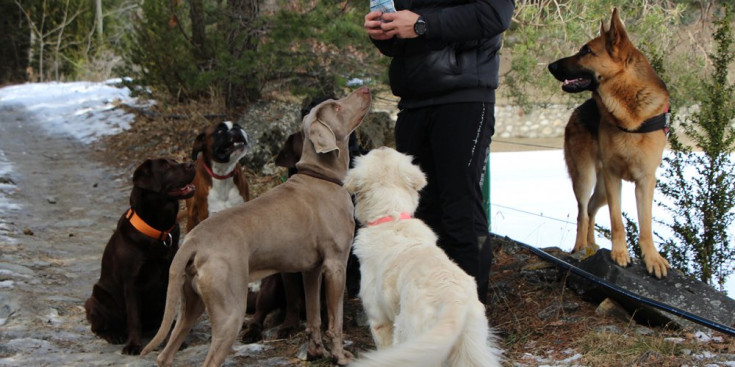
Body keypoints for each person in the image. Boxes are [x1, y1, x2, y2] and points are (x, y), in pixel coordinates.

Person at [363, 0, 514, 303]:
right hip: (413, 100)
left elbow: (495, 14)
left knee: (461, 212)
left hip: (465, 97)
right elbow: (400, 38)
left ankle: (469, 318)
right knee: (420, 214)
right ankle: (431, 313)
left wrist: (421, 24)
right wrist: (383, 32)